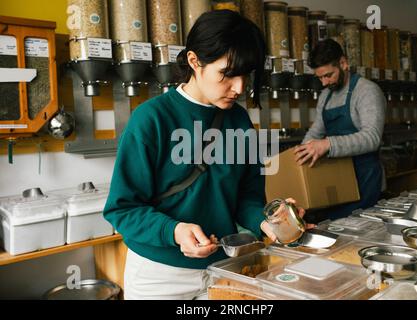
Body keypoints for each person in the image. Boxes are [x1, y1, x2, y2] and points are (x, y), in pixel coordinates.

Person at [103, 10, 309, 300]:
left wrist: (268, 222)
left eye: (245, 76)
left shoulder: (239, 122)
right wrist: (174, 231)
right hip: (159, 278)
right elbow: (121, 209)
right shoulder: (151, 119)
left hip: (224, 269)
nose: (238, 88)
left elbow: (247, 199)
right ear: (194, 61)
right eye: (227, 74)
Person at [294, 39, 386, 221]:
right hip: (339, 180)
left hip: (366, 181)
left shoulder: (367, 91)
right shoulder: (325, 95)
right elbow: (316, 131)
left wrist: (328, 144)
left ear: (343, 63)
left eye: (328, 75)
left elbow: (372, 137)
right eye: (319, 77)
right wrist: (301, 155)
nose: (324, 82)